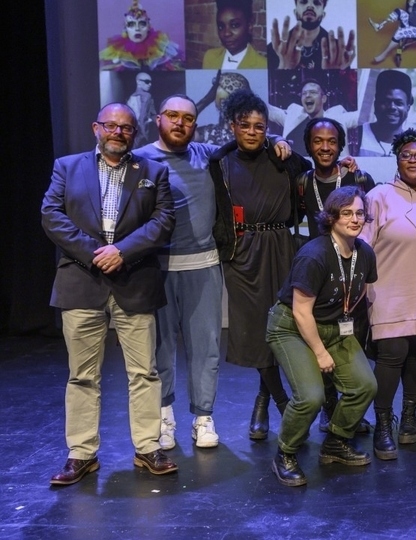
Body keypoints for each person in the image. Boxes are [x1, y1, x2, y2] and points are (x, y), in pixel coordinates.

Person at [133, 94, 292, 451]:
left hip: (203, 265)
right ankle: (164, 416)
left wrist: (280, 141)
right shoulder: (140, 161)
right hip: (155, 268)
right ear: (158, 119)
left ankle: (203, 417)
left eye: (187, 118)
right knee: (161, 348)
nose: (180, 123)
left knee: (205, 349)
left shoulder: (209, 156)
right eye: (172, 115)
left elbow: (250, 144)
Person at [41, 103, 177, 485]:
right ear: (95, 128)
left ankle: (148, 447)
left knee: (144, 373)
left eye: (126, 128)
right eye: (111, 126)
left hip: (135, 281)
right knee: (82, 376)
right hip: (81, 282)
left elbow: (163, 222)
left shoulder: (154, 172)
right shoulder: (67, 167)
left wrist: (123, 251)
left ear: (135, 134)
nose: (118, 132)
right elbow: (51, 215)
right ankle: (81, 454)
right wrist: (94, 253)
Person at [208, 89, 310, 441]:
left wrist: (285, 144)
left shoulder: (283, 157)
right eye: (244, 125)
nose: (252, 132)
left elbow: (311, 173)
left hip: (281, 246)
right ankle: (281, 400)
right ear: (232, 125)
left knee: (283, 326)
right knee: (253, 329)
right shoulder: (218, 162)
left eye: (260, 126)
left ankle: (263, 397)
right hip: (243, 251)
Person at [266, 186, 378, 487]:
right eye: (346, 214)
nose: (354, 219)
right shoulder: (314, 255)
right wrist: (319, 352)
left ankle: (336, 442)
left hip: (332, 327)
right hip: (292, 327)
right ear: (331, 218)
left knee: (365, 385)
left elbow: (364, 294)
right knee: (311, 396)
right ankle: (285, 453)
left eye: (359, 213)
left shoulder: (364, 252)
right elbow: (302, 312)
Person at [360, 129, 416, 460]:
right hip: (389, 290)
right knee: (393, 353)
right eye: (406, 155)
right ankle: (384, 422)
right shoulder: (379, 196)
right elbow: (363, 246)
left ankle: (410, 414)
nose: (413, 160)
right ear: (396, 159)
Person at [296, 116, 374, 434]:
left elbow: (369, 217)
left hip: (351, 270)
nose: (325, 147)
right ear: (309, 146)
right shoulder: (302, 182)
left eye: (331, 141)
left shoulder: (357, 176)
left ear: (341, 145)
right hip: (318, 271)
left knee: (352, 341)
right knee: (321, 341)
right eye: (318, 141)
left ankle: (349, 410)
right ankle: (329, 409)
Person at [268, 80, 358, 156]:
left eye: (313, 92)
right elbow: (269, 111)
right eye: (304, 93)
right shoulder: (292, 119)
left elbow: (363, 116)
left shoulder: (338, 118)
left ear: (323, 99)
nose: (307, 95)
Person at [268, 0, 355, 71]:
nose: (310, 5)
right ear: (295, 12)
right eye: (303, 1)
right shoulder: (277, 47)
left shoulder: (337, 51)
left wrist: (335, 73)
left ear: (323, 15)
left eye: (317, 3)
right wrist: (284, 66)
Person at [349, 70, 416, 157]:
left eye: (398, 103)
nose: (392, 107)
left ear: (408, 107)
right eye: (386, 101)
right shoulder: (354, 136)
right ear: (376, 104)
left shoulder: (414, 146)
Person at [99, 0, 182, 71]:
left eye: (142, 24)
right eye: (131, 25)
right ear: (126, 28)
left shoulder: (161, 48)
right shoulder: (118, 52)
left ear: (148, 27)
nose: (137, 29)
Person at [368, 0, 416, 64]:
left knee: (399, 32)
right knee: (398, 11)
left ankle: (383, 54)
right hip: (410, 22)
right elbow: (410, 11)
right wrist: (411, 4)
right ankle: (379, 26)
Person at [202, 0, 267, 70]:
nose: (226, 33)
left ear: (249, 26)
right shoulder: (209, 57)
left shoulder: (263, 65)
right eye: (221, 26)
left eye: (234, 25)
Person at [195, 71, 252, 146]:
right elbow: (184, 132)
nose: (225, 107)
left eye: (228, 101)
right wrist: (206, 100)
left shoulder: (251, 133)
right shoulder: (209, 132)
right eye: (222, 102)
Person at [127, 72, 156, 148]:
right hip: (141, 134)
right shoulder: (147, 96)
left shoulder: (131, 98)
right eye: (147, 82)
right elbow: (142, 117)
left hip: (136, 134)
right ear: (138, 82)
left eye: (150, 82)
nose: (150, 84)